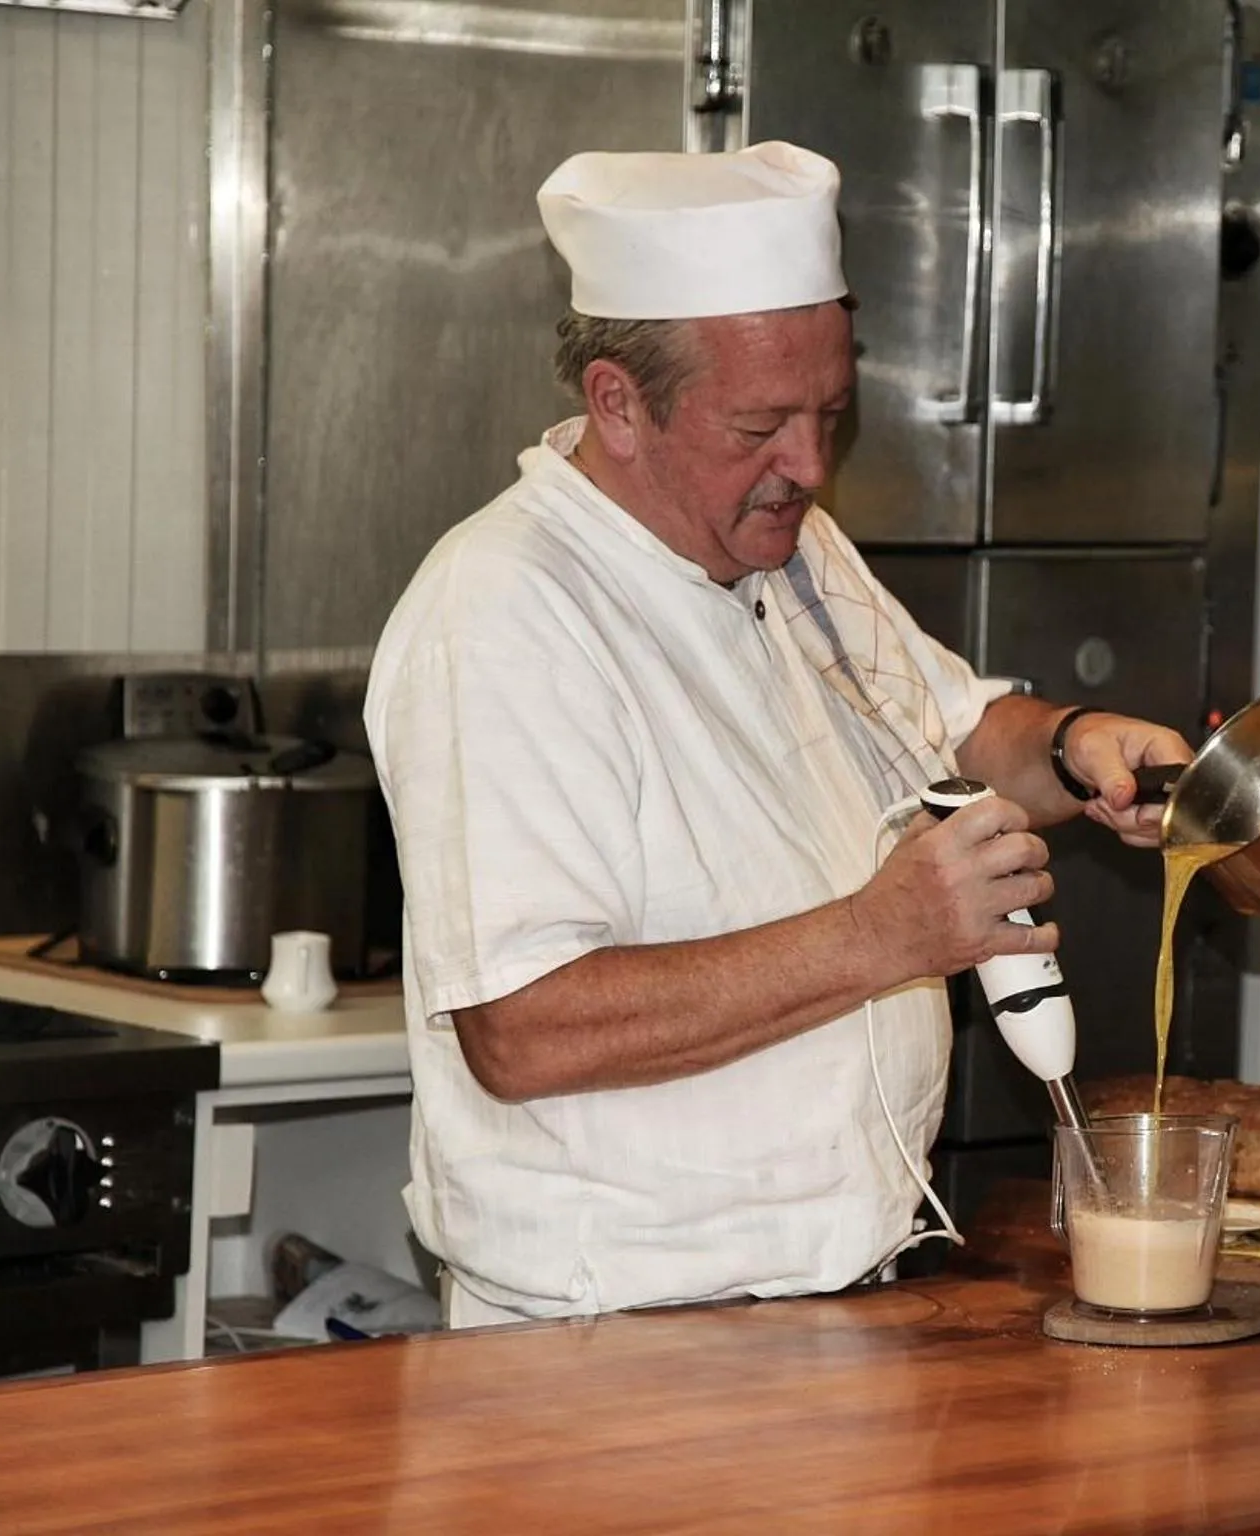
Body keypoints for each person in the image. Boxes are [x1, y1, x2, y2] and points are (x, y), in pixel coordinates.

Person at [363, 143, 1193, 1327]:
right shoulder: (505, 609)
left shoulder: (790, 546)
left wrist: (1073, 742)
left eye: (830, 414)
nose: (808, 466)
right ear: (618, 402)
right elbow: (522, 1027)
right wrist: (884, 933)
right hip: (618, 1339)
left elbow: (955, 731)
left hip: (840, 1291)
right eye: (760, 425)